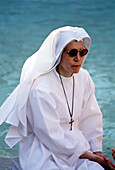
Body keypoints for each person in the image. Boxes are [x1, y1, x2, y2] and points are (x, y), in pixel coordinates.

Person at [0, 26, 115, 170]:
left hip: (79, 149)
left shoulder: (84, 77)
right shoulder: (40, 88)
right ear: (59, 53)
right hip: (45, 151)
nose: (78, 58)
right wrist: (90, 156)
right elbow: (51, 135)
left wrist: (97, 153)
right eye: (72, 52)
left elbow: (91, 116)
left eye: (83, 52)